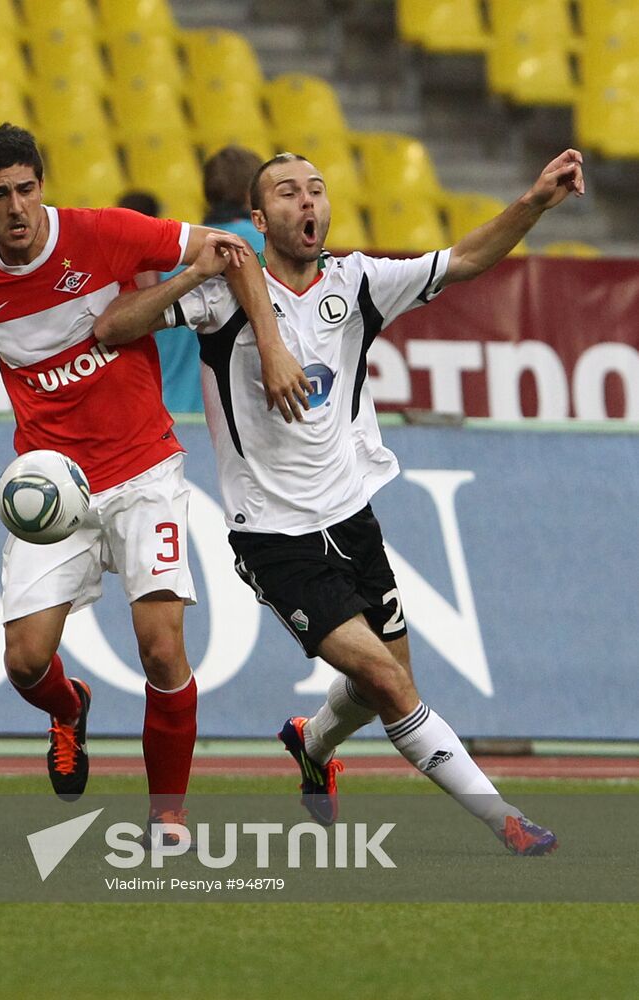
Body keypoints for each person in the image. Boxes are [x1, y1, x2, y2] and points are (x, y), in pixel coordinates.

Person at [92, 148, 587, 856]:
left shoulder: (358, 283)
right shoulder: (220, 298)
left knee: (386, 680)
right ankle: (504, 819)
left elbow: (465, 260)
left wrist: (534, 201)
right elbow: (113, 327)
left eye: (316, 190)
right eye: (288, 192)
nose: (307, 201)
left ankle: (312, 743)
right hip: (274, 536)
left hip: (352, 521)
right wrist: (192, 275)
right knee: (385, 678)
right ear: (260, 218)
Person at [0, 124, 310, 836]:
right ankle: (69, 711)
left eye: (26, 189)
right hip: (52, 484)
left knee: (162, 648)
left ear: (42, 184)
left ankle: (167, 815)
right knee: (25, 662)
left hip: (144, 468)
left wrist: (273, 348)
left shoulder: (105, 233)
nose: (16, 208)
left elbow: (233, 250)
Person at [157, 145, 265, 413]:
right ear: (252, 194)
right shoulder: (265, 246)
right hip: (227, 413)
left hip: (169, 410)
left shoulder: (176, 251)